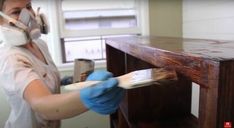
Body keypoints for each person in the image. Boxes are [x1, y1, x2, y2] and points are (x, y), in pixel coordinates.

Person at [0, 0, 124, 128]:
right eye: (16, 12)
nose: (28, 15)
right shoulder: (11, 58)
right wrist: (88, 99)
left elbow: (38, 78)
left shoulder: (39, 45)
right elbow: (41, 105)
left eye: (28, 7)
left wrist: (64, 80)